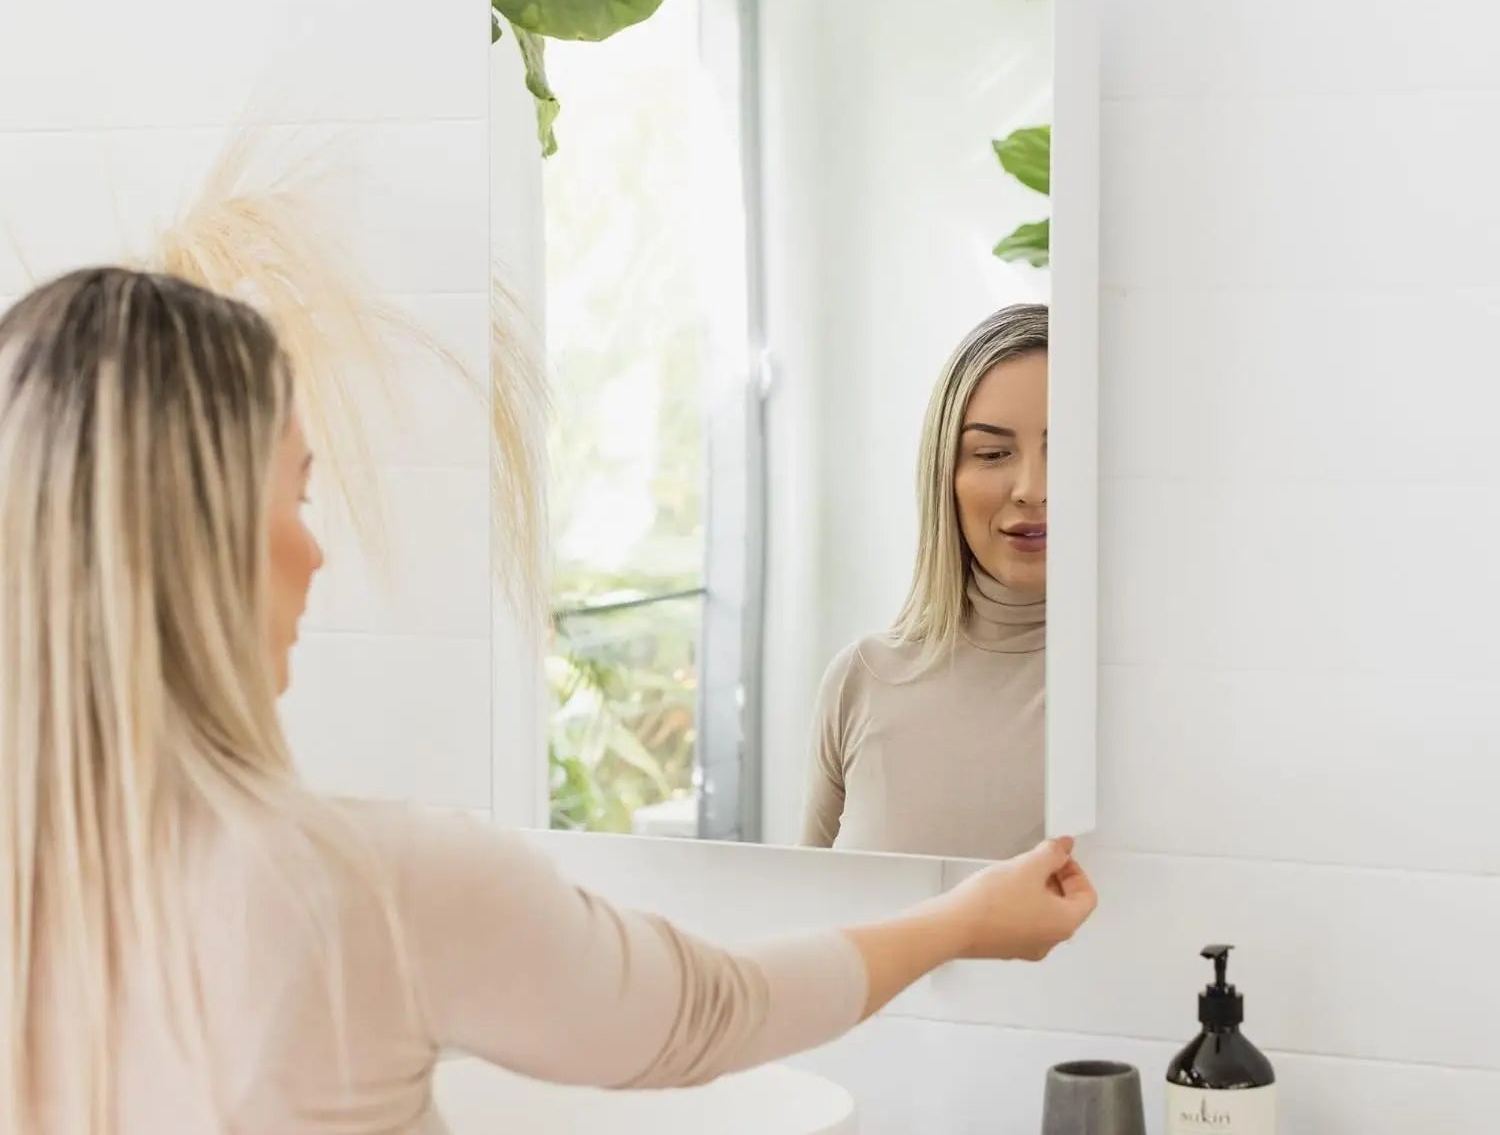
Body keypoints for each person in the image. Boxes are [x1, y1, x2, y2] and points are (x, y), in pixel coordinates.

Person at [0, 269, 1094, 1135]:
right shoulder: (374, 887)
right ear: (201, 538)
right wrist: (963, 920)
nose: (319, 548)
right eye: (296, 493)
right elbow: (707, 1015)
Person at [802, 304, 1049, 860]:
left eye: (1067, 451)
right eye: (992, 453)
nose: (1032, 489)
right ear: (945, 475)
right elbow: (806, 913)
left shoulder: (1152, 696)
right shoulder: (861, 680)